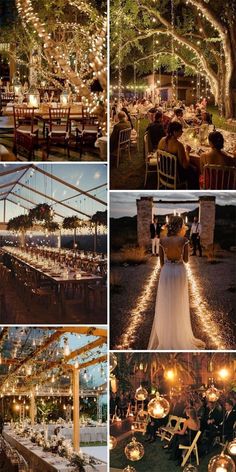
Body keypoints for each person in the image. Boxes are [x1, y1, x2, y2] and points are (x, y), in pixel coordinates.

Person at [148, 216, 205, 350]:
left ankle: (166, 334)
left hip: (166, 272)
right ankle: (179, 333)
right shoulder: (184, 240)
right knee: (179, 302)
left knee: (166, 302)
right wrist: (185, 252)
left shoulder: (162, 241)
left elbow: (161, 263)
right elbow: (186, 260)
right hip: (179, 272)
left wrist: (168, 263)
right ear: (180, 226)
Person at [158, 122, 199, 189]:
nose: (182, 132)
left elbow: (160, 156)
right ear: (174, 132)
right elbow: (185, 166)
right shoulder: (179, 145)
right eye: (180, 131)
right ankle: (192, 189)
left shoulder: (162, 140)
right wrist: (187, 152)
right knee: (194, 169)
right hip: (176, 176)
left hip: (163, 172)